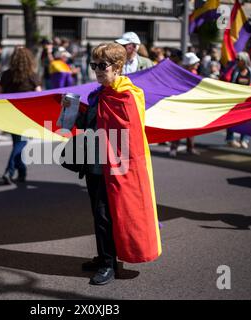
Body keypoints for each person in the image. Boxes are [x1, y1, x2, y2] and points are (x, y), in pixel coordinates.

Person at [62, 43, 161, 285]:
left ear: (118, 67)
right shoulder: (98, 94)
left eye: (102, 65)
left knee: (107, 215)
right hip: (95, 165)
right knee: (99, 214)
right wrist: (72, 112)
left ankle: (109, 264)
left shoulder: (127, 95)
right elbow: (91, 125)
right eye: (93, 65)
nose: (96, 70)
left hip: (115, 167)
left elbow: (130, 136)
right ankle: (103, 256)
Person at [0, 47, 42, 184]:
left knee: (17, 143)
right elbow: (39, 96)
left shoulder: (6, 75)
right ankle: (9, 170)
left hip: (10, 114)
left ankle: (22, 172)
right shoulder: (32, 76)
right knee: (21, 143)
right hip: (27, 115)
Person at [169, 52, 200, 157]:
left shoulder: (195, 73)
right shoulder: (180, 74)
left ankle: (190, 147)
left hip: (191, 104)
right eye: (195, 62)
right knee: (178, 127)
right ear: (189, 64)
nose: (198, 64)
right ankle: (173, 148)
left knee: (191, 127)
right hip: (180, 104)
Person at [226, 52, 251, 149]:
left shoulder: (250, 71)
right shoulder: (235, 71)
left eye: (238, 60)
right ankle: (230, 139)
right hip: (235, 100)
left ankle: (244, 140)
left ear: (244, 61)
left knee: (246, 120)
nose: (236, 61)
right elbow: (232, 84)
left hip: (246, 101)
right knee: (232, 120)